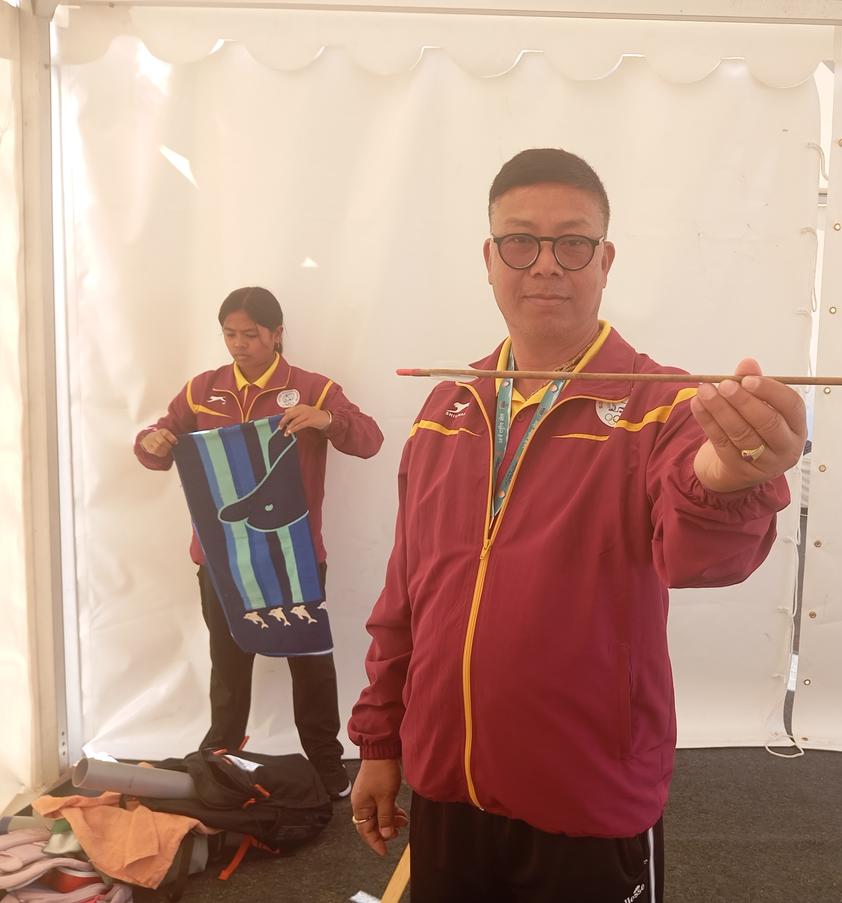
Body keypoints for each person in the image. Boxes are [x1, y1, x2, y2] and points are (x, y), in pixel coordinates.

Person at [348, 149, 807, 900]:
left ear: (605, 259)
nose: (546, 266)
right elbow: (405, 597)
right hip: (445, 788)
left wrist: (733, 475)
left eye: (573, 243)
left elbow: (699, 554)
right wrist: (378, 741)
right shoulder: (446, 412)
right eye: (521, 242)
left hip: (589, 805)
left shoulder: (664, 405)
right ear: (490, 258)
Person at [135, 286, 384, 798]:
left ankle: (327, 763)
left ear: (277, 334)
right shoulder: (202, 390)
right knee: (228, 663)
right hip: (220, 557)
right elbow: (158, 444)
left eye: (251, 334)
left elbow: (370, 439)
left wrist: (327, 420)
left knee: (309, 660)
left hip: (293, 556)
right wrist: (151, 442)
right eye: (230, 334)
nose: (240, 344)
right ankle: (219, 758)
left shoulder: (314, 388)